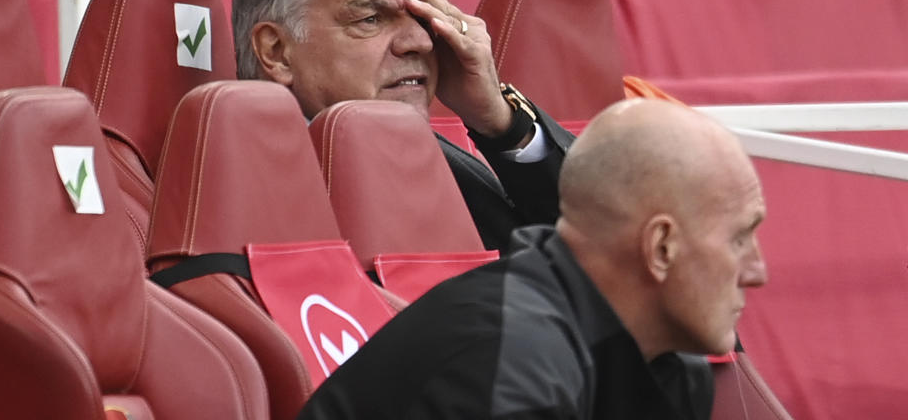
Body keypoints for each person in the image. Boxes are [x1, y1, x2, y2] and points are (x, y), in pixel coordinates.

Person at [295, 99, 769, 420]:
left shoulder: (672, 365)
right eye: (738, 239)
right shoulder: (511, 358)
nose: (757, 272)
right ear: (661, 248)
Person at [232, 0, 574, 253]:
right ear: (276, 51)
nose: (421, 43)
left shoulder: (443, 161)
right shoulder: (239, 194)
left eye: (422, 20)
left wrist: (501, 123)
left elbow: (604, 254)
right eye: (370, 19)